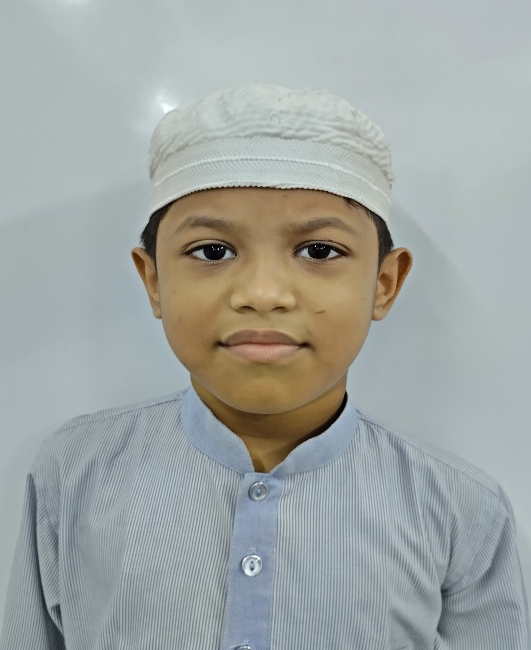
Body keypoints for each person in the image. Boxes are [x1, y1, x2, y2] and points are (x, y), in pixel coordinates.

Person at [1, 83, 529, 649]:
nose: (262, 294)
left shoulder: (459, 508)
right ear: (153, 280)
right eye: (212, 251)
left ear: (384, 283)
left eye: (319, 251)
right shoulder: (75, 474)